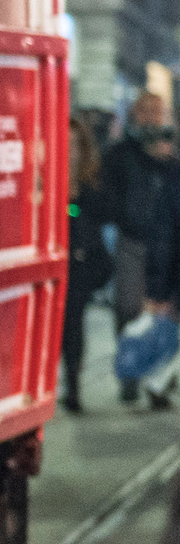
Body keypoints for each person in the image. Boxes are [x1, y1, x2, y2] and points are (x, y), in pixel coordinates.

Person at [104, 95, 179, 402]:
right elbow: (110, 192)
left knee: (167, 311)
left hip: (169, 242)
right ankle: (132, 371)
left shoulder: (171, 152)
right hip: (134, 239)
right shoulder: (122, 152)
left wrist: (168, 158)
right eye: (146, 112)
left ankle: (158, 381)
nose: (151, 119)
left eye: (157, 113)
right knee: (128, 307)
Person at [66, 113, 113, 413]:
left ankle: (72, 385)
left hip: (81, 263)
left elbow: (103, 214)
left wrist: (74, 204)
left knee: (73, 323)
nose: (69, 151)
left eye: (74, 145)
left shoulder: (92, 181)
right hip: (58, 258)